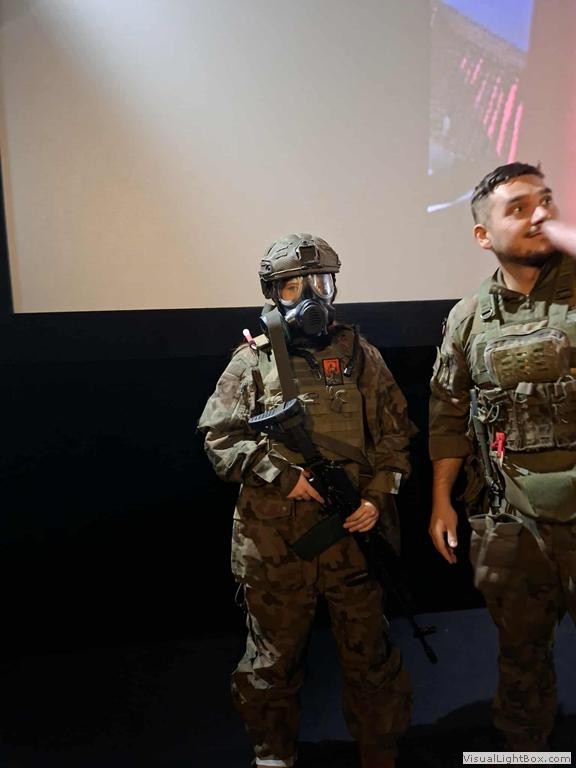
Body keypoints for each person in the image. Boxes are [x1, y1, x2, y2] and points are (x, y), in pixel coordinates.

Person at [198, 234, 415, 768]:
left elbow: (395, 436)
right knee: (271, 665)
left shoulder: (361, 356)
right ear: (273, 294)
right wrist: (280, 475)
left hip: (354, 540)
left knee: (370, 659)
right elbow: (219, 440)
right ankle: (274, 754)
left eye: (320, 281)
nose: (310, 295)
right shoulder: (252, 362)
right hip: (276, 545)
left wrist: (377, 495)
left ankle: (378, 751)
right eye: (294, 286)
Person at [428, 162, 576, 751]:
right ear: (482, 234)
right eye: (518, 208)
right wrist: (441, 499)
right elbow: (447, 413)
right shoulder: (468, 318)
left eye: (546, 202)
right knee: (521, 664)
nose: (539, 214)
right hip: (516, 524)